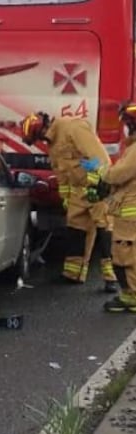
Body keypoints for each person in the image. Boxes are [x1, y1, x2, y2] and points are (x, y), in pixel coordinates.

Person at [21, 112, 118, 292]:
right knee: (76, 231)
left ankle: (111, 278)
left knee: (105, 229)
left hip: (96, 189)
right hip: (77, 194)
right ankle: (74, 274)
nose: (41, 140)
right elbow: (61, 173)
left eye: (38, 136)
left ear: (43, 128)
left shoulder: (73, 127)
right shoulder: (53, 143)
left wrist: (102, 183)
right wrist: (66, 197)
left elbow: (98, 157)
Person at [81, 102, 136, 311]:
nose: (124, 128)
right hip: (125, 211)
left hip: (130, 215)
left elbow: (118, 174)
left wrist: (100, 171)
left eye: (127, 123)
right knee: (125, 255)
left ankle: (132, 297)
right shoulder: (132, 148)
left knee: (125, 257)